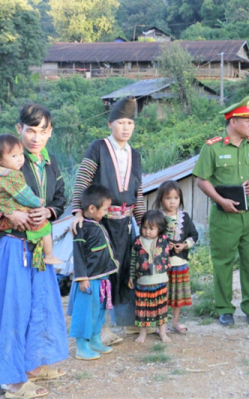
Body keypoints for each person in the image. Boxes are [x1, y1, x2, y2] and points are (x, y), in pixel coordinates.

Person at [0, 104, 68, 398]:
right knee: (14, 307)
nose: (36, 138)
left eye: (42, 131)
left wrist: (49, 211)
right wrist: (8, 212)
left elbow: (60, 197)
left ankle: (34, 365)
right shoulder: (6, 159)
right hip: (12, 243)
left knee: (42, 303)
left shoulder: (49, 162)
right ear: (19, 129)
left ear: (50, 132)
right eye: (30, 130)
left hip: (39, 243)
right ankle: (11, 381)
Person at [193, 95, 249, 326]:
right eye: (246, 119)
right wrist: (221, 200)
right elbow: (202, 180)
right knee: (223, 262)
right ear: (232, 122)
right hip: (224, 216)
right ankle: (224, 308)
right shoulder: (213, 148)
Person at [71, 96, 146, 343]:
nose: (125, 128)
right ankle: (101, 329)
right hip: (100, 224)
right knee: (102, 272)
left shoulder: (135, 154)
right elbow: (82, 180)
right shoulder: (98, 147)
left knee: (126, 269)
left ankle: (127, 323)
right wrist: (78, 212)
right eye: (120, 122)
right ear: (110, 124)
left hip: (125, 224)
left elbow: (139, 192)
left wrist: (143, 222)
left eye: (130, 123)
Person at [0, 134, 62, 269]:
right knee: (45, 228)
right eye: (14, 156)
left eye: (21, 155)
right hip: (18, 220)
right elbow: (24, 195)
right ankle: (49, 256)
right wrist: (38, 203)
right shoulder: (12, 175)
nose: (19, 160)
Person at [69, 185, 118, 360]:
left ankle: (95, 340)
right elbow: (78, 255)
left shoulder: (96, 224)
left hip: (102, 278)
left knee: (99, 311)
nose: (106, 213)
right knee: (85, 312)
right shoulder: (81, 228)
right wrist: (82, 279)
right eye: (104, 209)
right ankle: (82, 346)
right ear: (92, 208)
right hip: (88, 281)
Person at [154, 180, 198, 334]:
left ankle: (175, 322)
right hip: (161, 265)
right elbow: (150, 237)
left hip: (180, 263)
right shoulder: (157, 217)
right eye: (168, 198)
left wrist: (184, 245)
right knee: (162, 295)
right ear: (160, 199)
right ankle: (162, 324)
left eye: (176, 198)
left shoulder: (184, 217)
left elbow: (194, 235)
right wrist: (164, 244)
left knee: (177, 295)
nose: (172, 202)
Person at [128, 210, 172, 343]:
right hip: (142, 281)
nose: (147, 231)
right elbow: (133, 260)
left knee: (161, 308)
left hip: (160, 281)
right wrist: (131, 276)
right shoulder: (137, 242)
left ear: (159, 229)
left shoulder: (163, 240)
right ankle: (143, 333)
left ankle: (162, 332)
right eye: (145, 227)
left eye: (152, 228)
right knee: (142, 309)